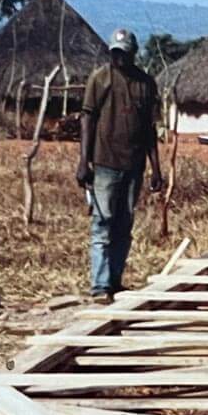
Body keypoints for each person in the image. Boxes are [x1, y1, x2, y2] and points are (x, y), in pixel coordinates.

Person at [76, 28, 163, 303]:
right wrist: (84, 160)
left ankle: (114, 280)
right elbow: (87, 119)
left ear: (133, 54)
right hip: (104, 162)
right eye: (115, 53)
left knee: (124, 225)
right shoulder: (100, 79)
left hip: (134, 164)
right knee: (103, 223)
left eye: (124, 54)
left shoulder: (146, 84)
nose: (119, 59)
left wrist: (156, 168)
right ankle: (100, 285)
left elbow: (149, 129)